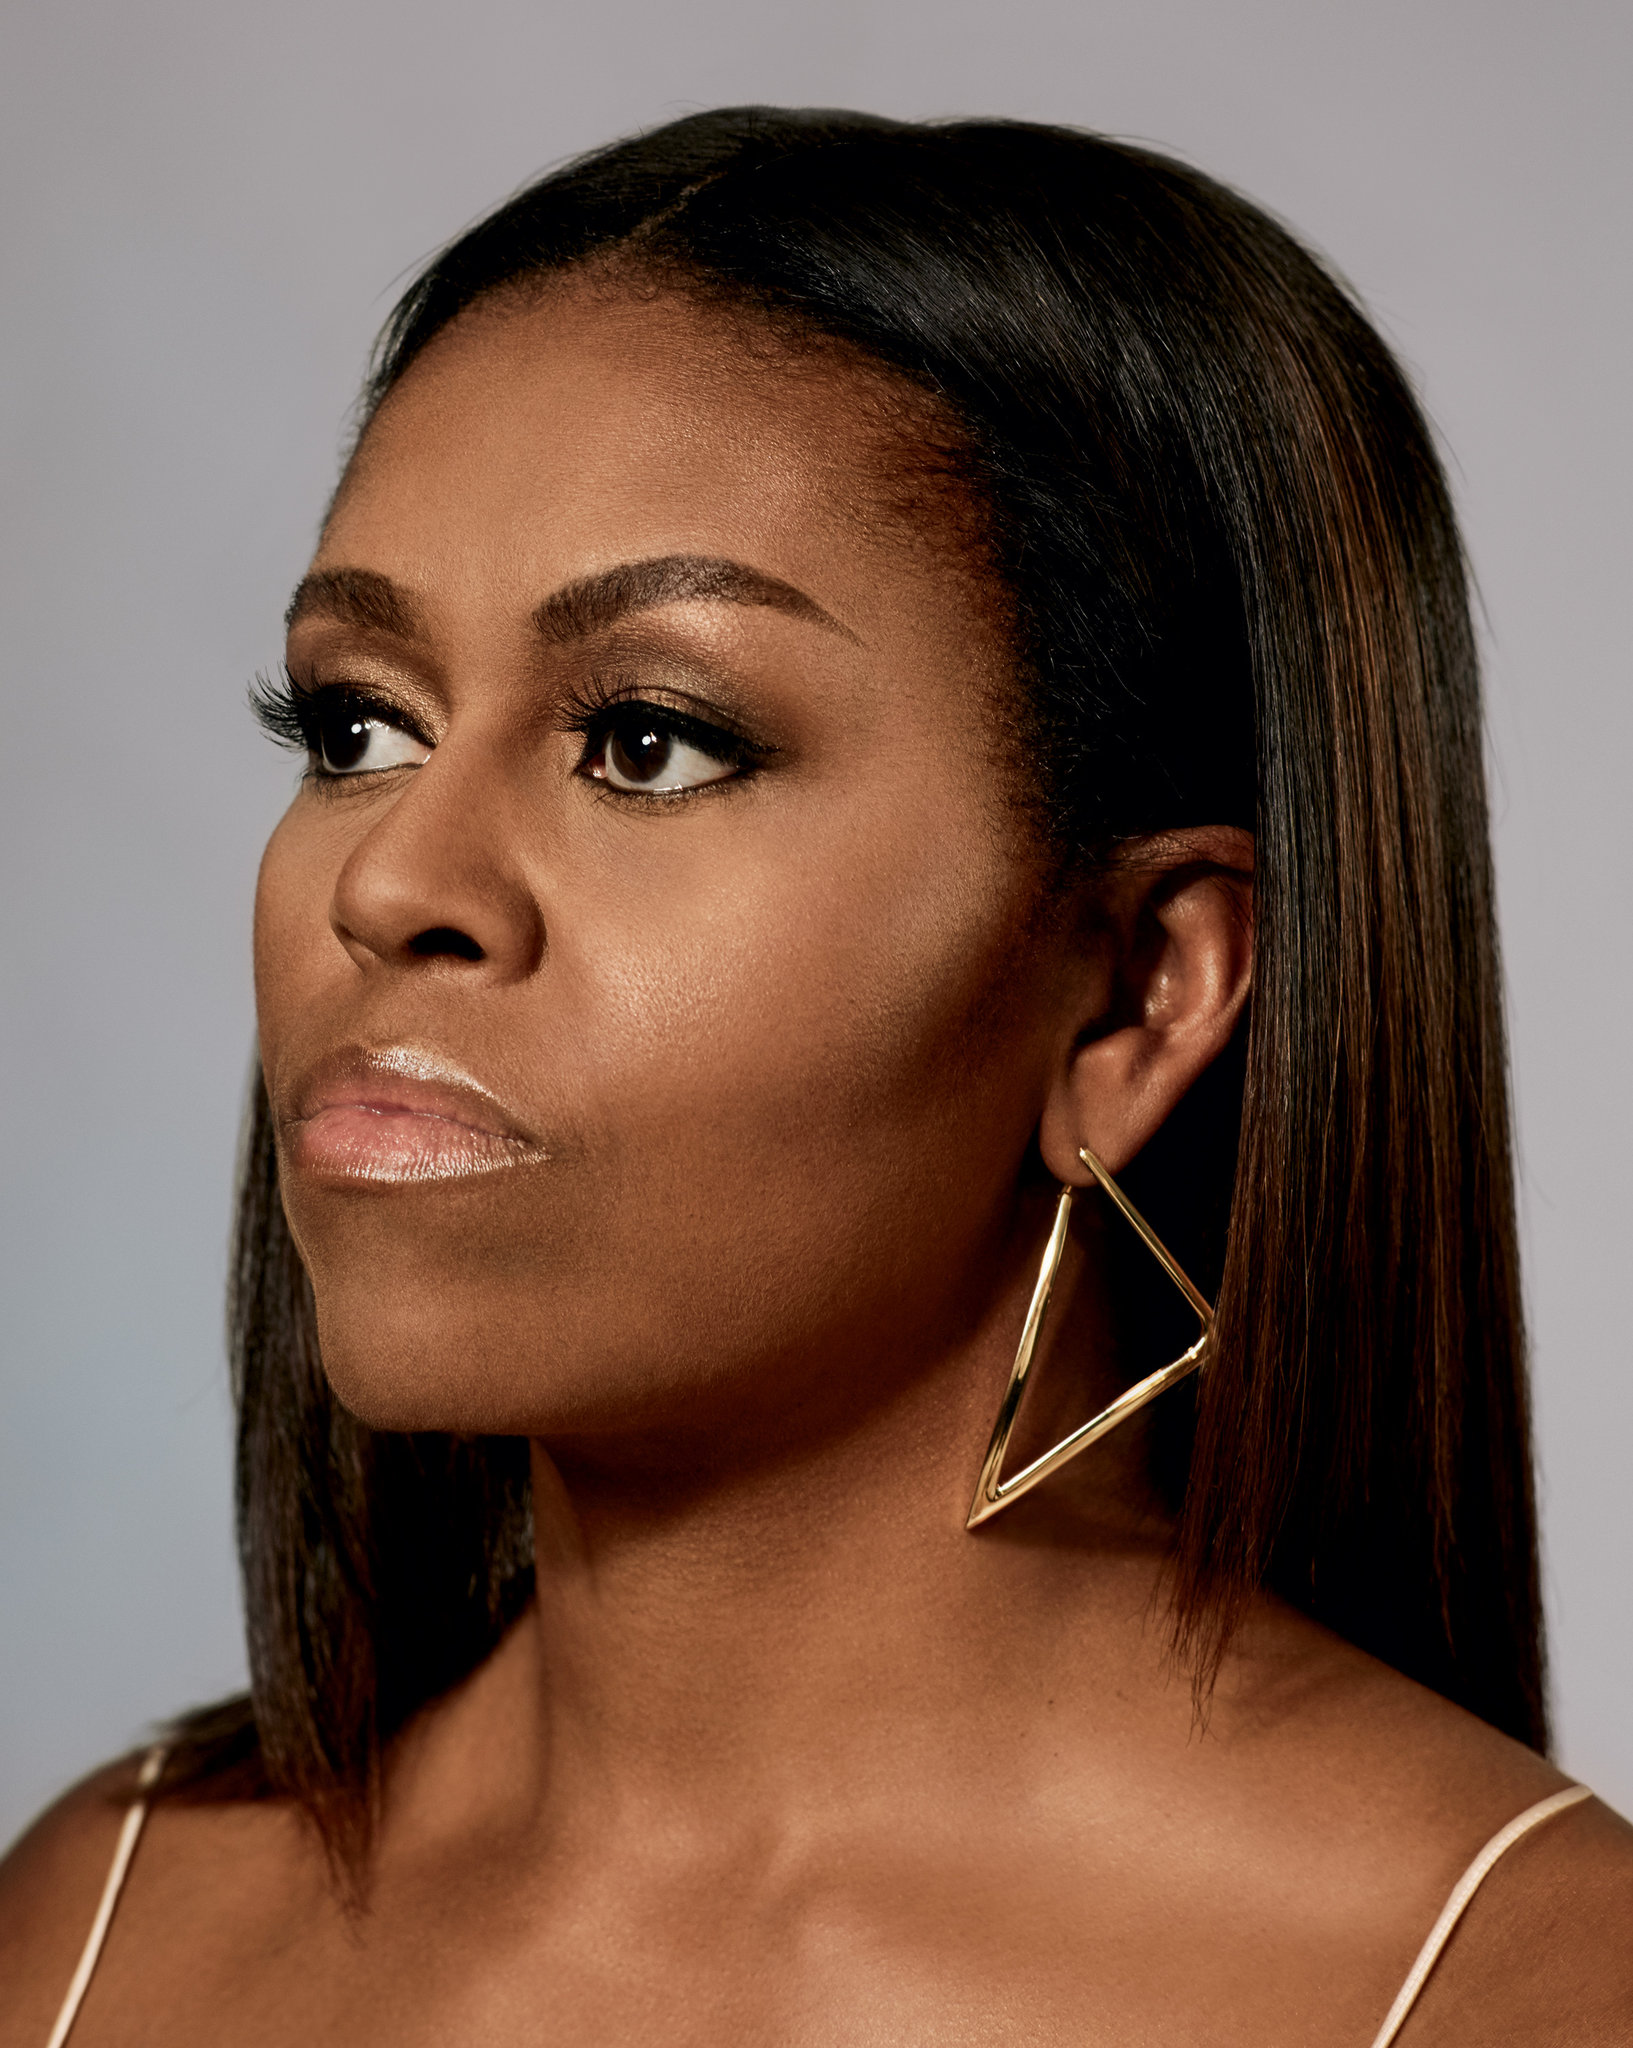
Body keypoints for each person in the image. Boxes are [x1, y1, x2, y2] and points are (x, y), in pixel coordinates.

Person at [2, 106, 1629, 2046]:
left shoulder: (1516, 1991)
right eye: (359, 723)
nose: (389, 883)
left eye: (649, 741)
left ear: (1136, 996)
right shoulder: (97, 1927)